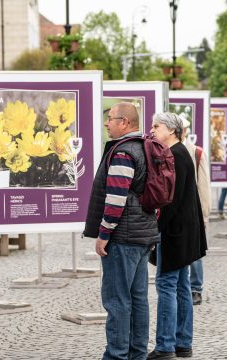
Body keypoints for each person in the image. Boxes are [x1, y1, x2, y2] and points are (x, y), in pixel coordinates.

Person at [83, 102, 159, 360]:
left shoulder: (124, 152)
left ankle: (116, 356)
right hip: (142, 235)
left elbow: (116, 198)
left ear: (125, 122)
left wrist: (103, 234)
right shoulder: (145, 148)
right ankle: (137, 354)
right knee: (138, 300)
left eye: (111, 118)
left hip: (124, 237)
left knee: (117, 301)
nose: (107, 123)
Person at [147, 113, 207, 360]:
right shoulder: (182, 153)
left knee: (167, 285)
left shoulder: (175, 155)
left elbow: (170, 201)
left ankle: (165, 346)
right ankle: (183, 343)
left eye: (156, 126)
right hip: (185, 232)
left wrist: (155, 231)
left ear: (171, 131)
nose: (151, 130)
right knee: (181, 287)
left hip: (175, 233)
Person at [180, 118, 211, 306]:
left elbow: (204, 186)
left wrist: (205, 214)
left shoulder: (197, 152)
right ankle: (182, 287)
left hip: (194, 209)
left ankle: (196, 288)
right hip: (176, 210)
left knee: (195, 251)